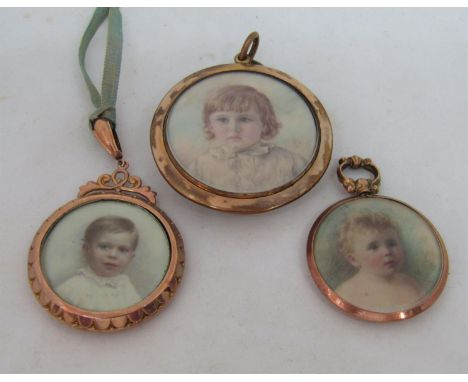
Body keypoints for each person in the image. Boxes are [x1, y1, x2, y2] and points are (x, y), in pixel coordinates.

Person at [189, 85, 306, 193]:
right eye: (223, 120)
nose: (233, 128)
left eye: (244, 119)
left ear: (264, 124)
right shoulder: (200, 165)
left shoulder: (290, 161)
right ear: (210, 126)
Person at [335, 212, 423, 312]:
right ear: (353, 259)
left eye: (391, 244)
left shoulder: (409, 283)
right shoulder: (347, 293)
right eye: (374, 247)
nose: (387, 252)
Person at [56, 216, 142, 311]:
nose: (113, 255)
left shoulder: (126, 287)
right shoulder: (73, 287)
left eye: (122, 250)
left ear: (131, 257)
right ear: (87, 249)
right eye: (104, 247)